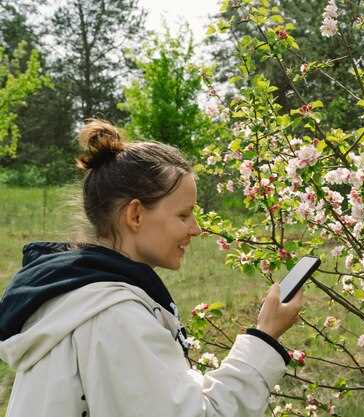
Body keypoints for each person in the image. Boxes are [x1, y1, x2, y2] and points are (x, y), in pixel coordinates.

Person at [0, 120, 304, 417]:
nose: (196, 229)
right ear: (135, 215)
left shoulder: (78, 295)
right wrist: (265, 336)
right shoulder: (114, 316)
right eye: (184, 215)